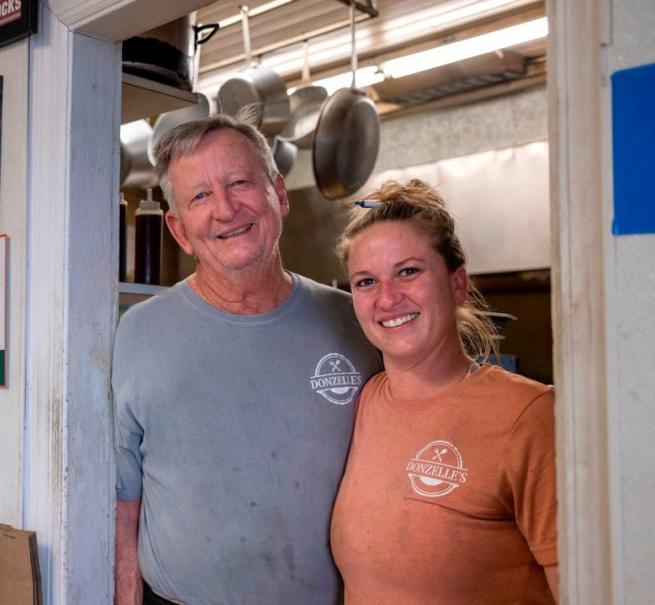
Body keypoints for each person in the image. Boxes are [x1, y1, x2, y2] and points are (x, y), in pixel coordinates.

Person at [113, 113, 381, 605]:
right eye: (200, 196)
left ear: (279, 194)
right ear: (178, 229)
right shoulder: (138, 333)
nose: (226, 208)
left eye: (240, 182)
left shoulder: (354, 324)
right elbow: (123, 499)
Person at [330, 180, 559, 604]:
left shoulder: (527, 415)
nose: (387, 298)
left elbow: (587, 587)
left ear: (457, 285)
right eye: (365, 282)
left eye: (408, 272)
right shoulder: (362, 402)